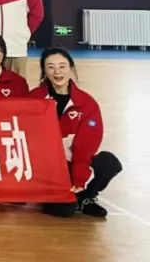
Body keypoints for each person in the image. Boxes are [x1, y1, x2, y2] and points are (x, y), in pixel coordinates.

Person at [33, 48, 123, 218]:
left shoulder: (87, 103)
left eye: (62, 66)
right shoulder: (34, 98)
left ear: (71, 68)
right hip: (46, 168)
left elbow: (86, 146)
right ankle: (65, 196)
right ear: (44, 71)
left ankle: (86, 196)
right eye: (51, 67)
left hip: (72, 162)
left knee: (109, 163)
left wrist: (79, 178)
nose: (57, 72)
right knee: (64, 210)